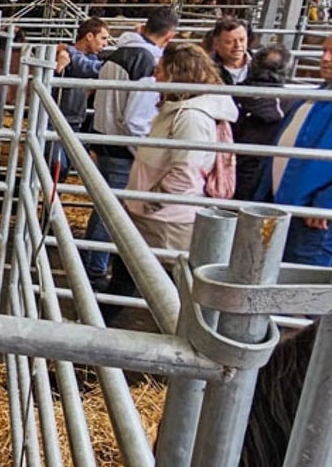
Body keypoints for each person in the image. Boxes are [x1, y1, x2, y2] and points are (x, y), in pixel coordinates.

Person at [105, 43, 239, 315]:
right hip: (154, 211)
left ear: (177, 74)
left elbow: (185, 172)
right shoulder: (179, 109)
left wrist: (151, 201)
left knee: (167, 284)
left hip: (167, 219)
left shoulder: (191, 117)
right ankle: (97, 327)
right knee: (128, 273)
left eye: (161, 71)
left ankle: (185, 336)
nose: (156, 77)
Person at [83, 6, 178, 289]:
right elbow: (135, 119)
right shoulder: (148, 62)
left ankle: (92, 263)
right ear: (169, 36)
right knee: (112, 213)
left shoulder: (119, 53)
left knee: (105, 208)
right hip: (123, 147)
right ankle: (95, 269)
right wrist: (146, 154)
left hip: (105, 136)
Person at [262, 34, 332, 266]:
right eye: (323, 51)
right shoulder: (319, 93)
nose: (325, 58)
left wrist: (325, 204)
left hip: (314, 220)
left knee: (305, 287)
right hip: (287, 208)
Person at [49, 17, 111, 179]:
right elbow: (85, 68)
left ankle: (49, 201)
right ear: (89, 36)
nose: (105, 44)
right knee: (58, 165)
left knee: (64, 166)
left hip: (77, 119)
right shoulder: (68, 54)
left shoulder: (89, 58)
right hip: (56, 119)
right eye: (103, 38)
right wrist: (116, 64)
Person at [233, 45, 293, 202]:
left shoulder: (233, 96)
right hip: (268, 178)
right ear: (286, 72)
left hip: (229, 170)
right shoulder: (292, 104)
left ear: (253, 66)